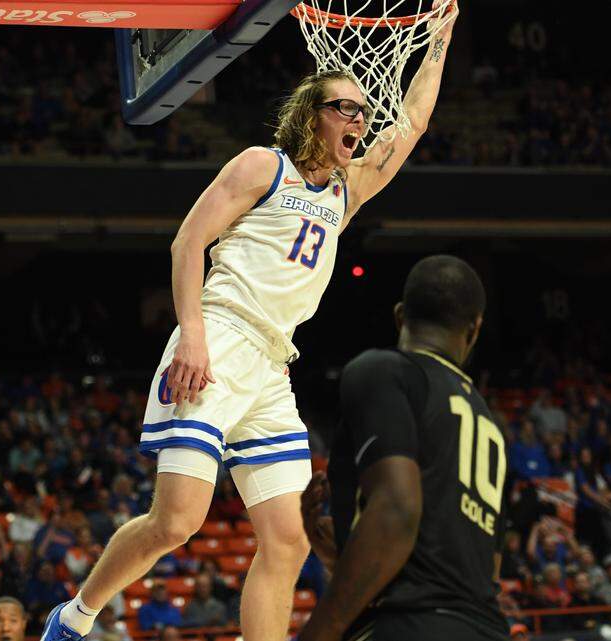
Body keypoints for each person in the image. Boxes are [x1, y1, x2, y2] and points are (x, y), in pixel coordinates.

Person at [39, 7, 459, 641]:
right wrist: (193, 335)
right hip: (219, 336)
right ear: (311, 115)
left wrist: (441, 35)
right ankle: (75, 616)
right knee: (177, 522)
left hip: (272, 364)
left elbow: (414, 122)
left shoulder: (346, 191)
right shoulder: (263, 166)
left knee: (290, 540)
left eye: (363, 110)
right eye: (344, 108)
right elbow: (188, 243)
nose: (360, 118)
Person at [299, 255, 507, 641]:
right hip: (486, 629)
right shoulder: (491, 424)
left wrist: (321, 631)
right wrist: (341, 555)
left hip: (405, 624)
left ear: (399, 316)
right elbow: (482, 571)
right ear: (475, 328)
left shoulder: (384, 371)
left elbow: (397, 509)